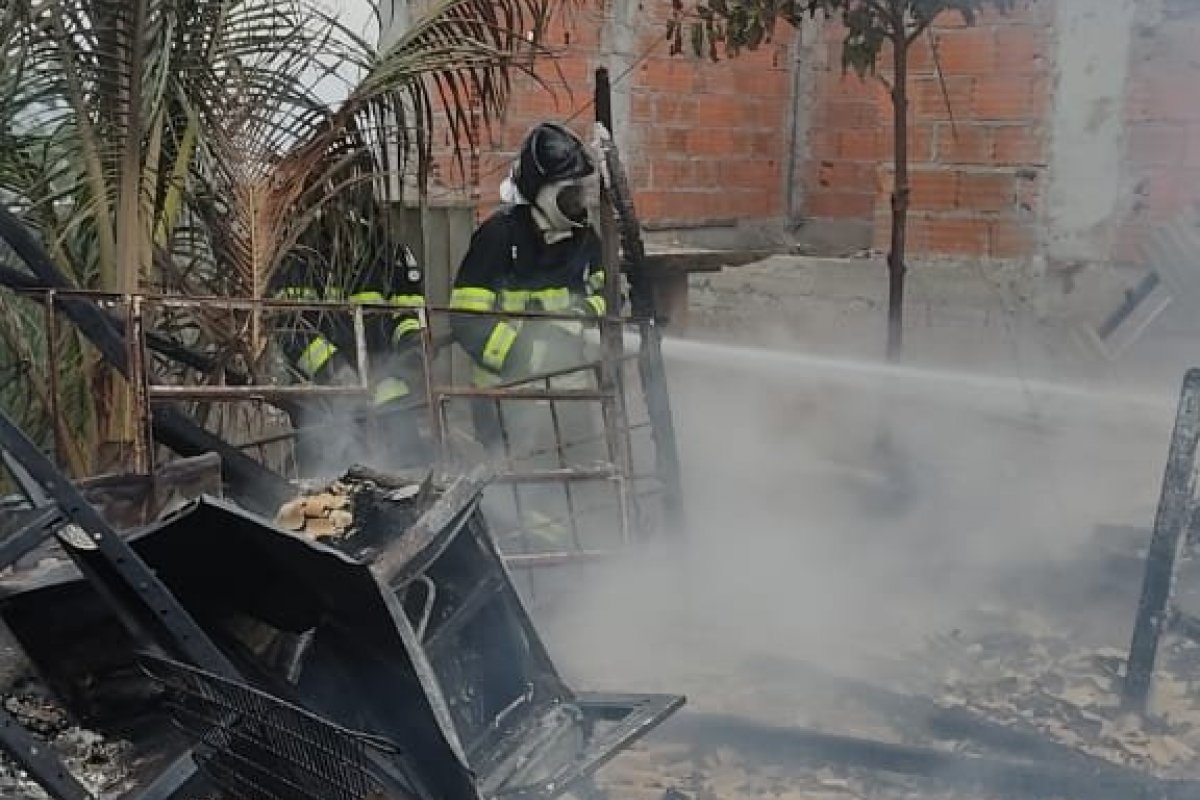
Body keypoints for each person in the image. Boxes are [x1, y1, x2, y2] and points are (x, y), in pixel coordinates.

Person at [449, 121, 611, 550]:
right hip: (509, 399)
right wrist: (526, 354)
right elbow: (466, 319)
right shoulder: (499, 238)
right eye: (569, 193)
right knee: (522, 498)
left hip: (572, 398)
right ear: (541, 192)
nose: (578, 203)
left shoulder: (585, 240)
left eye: (581, 192)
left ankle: (584, 561)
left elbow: (607, 297)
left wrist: (584, 313)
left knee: (581, 488)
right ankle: (532, 568)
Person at [271, 219, 428, 476]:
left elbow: (410, 316)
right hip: (323, 400)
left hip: (391, 396)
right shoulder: (301, 257)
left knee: (406, 474)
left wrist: (411, 353)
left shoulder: (390, 255)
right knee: (326, 481)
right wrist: (334, 370)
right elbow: (291, 327)